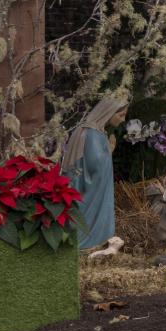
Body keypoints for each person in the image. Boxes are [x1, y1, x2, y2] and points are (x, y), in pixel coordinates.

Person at [61, 95, 129, 250]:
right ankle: (90, 244)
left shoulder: (94, 131)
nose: (122, 119)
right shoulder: (93, 134)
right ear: (108, 112)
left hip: (88, 188)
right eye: (121, 114)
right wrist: (109, 151)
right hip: (90, 192)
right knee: (88, 221)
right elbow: (95, 165)